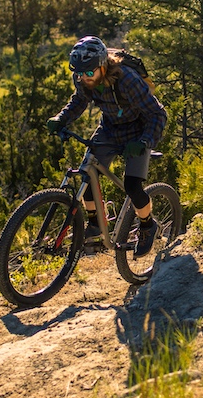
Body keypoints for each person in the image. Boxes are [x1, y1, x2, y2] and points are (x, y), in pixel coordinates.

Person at [46, 36, 167, 257]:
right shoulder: (83, 78)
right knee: (87, 176)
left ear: (103, 66)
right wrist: (61, 118)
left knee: (132, 186)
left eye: (89, 72)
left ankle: (148, 226)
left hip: (138, 131)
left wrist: (145, 141)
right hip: (109, 129)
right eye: (79, 73)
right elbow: (79, 101)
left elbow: (157, 114)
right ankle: (95, 224)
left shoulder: (127, 79)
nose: (84, 78)